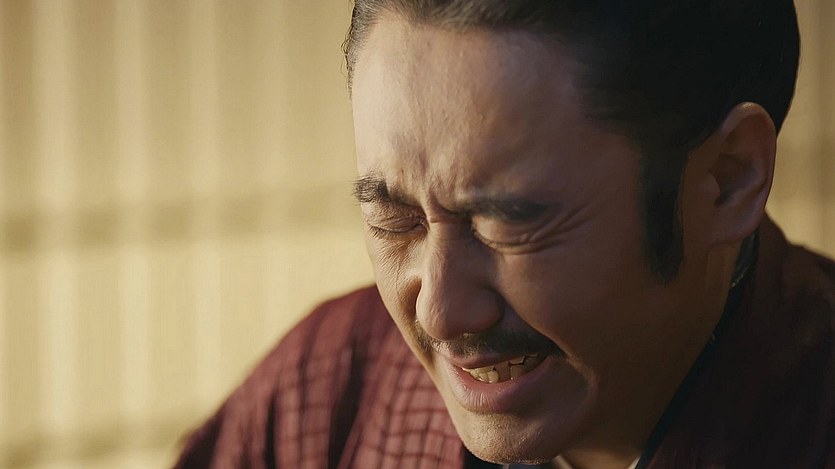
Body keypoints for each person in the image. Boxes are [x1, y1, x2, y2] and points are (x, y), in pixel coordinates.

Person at [174, 1, 835, 468]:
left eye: (505, 222)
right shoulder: (328, 393)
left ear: (726, 181)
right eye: (396, 220)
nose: (440, 312)